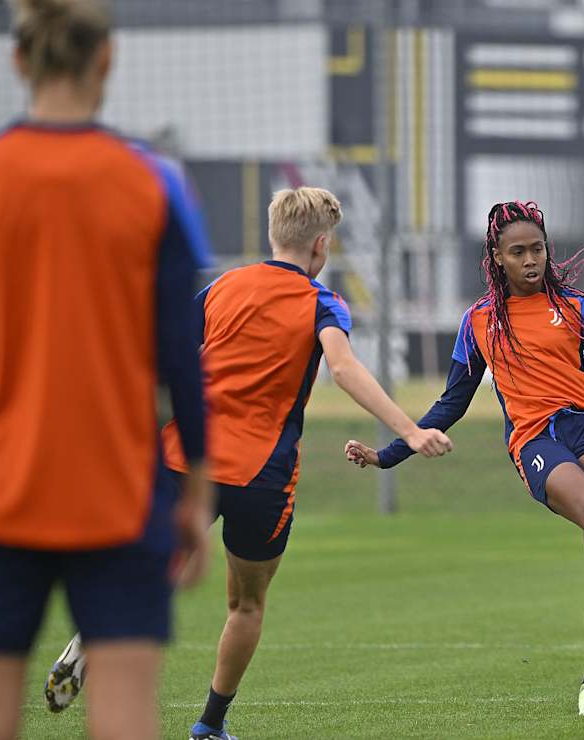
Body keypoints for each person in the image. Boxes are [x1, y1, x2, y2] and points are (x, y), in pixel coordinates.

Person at [42, 187, 454, 740]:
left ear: (272, 236)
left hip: (184, 456)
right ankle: (210, 725)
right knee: (247, 603)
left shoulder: (222, 286)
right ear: (322, 246)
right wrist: (409, 429)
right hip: (261, 475)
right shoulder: (322, 302)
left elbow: (160, 361)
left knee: (155, 566)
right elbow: (346, 368)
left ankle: (98, 634)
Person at [0, 1, 213, 737]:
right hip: (116, 494)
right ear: (107, 59)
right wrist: (193, 495)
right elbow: (181, 356)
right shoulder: (156, 186)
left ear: (18, 61)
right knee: (125, 718)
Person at [346, 200, 584, 717]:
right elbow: (451, 403)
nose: (531, 260)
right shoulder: (480, 321)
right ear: (497, 257)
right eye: (518, 252)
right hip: (535, 441)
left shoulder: (578, 308)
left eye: (537, 249)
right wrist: (388, 454)